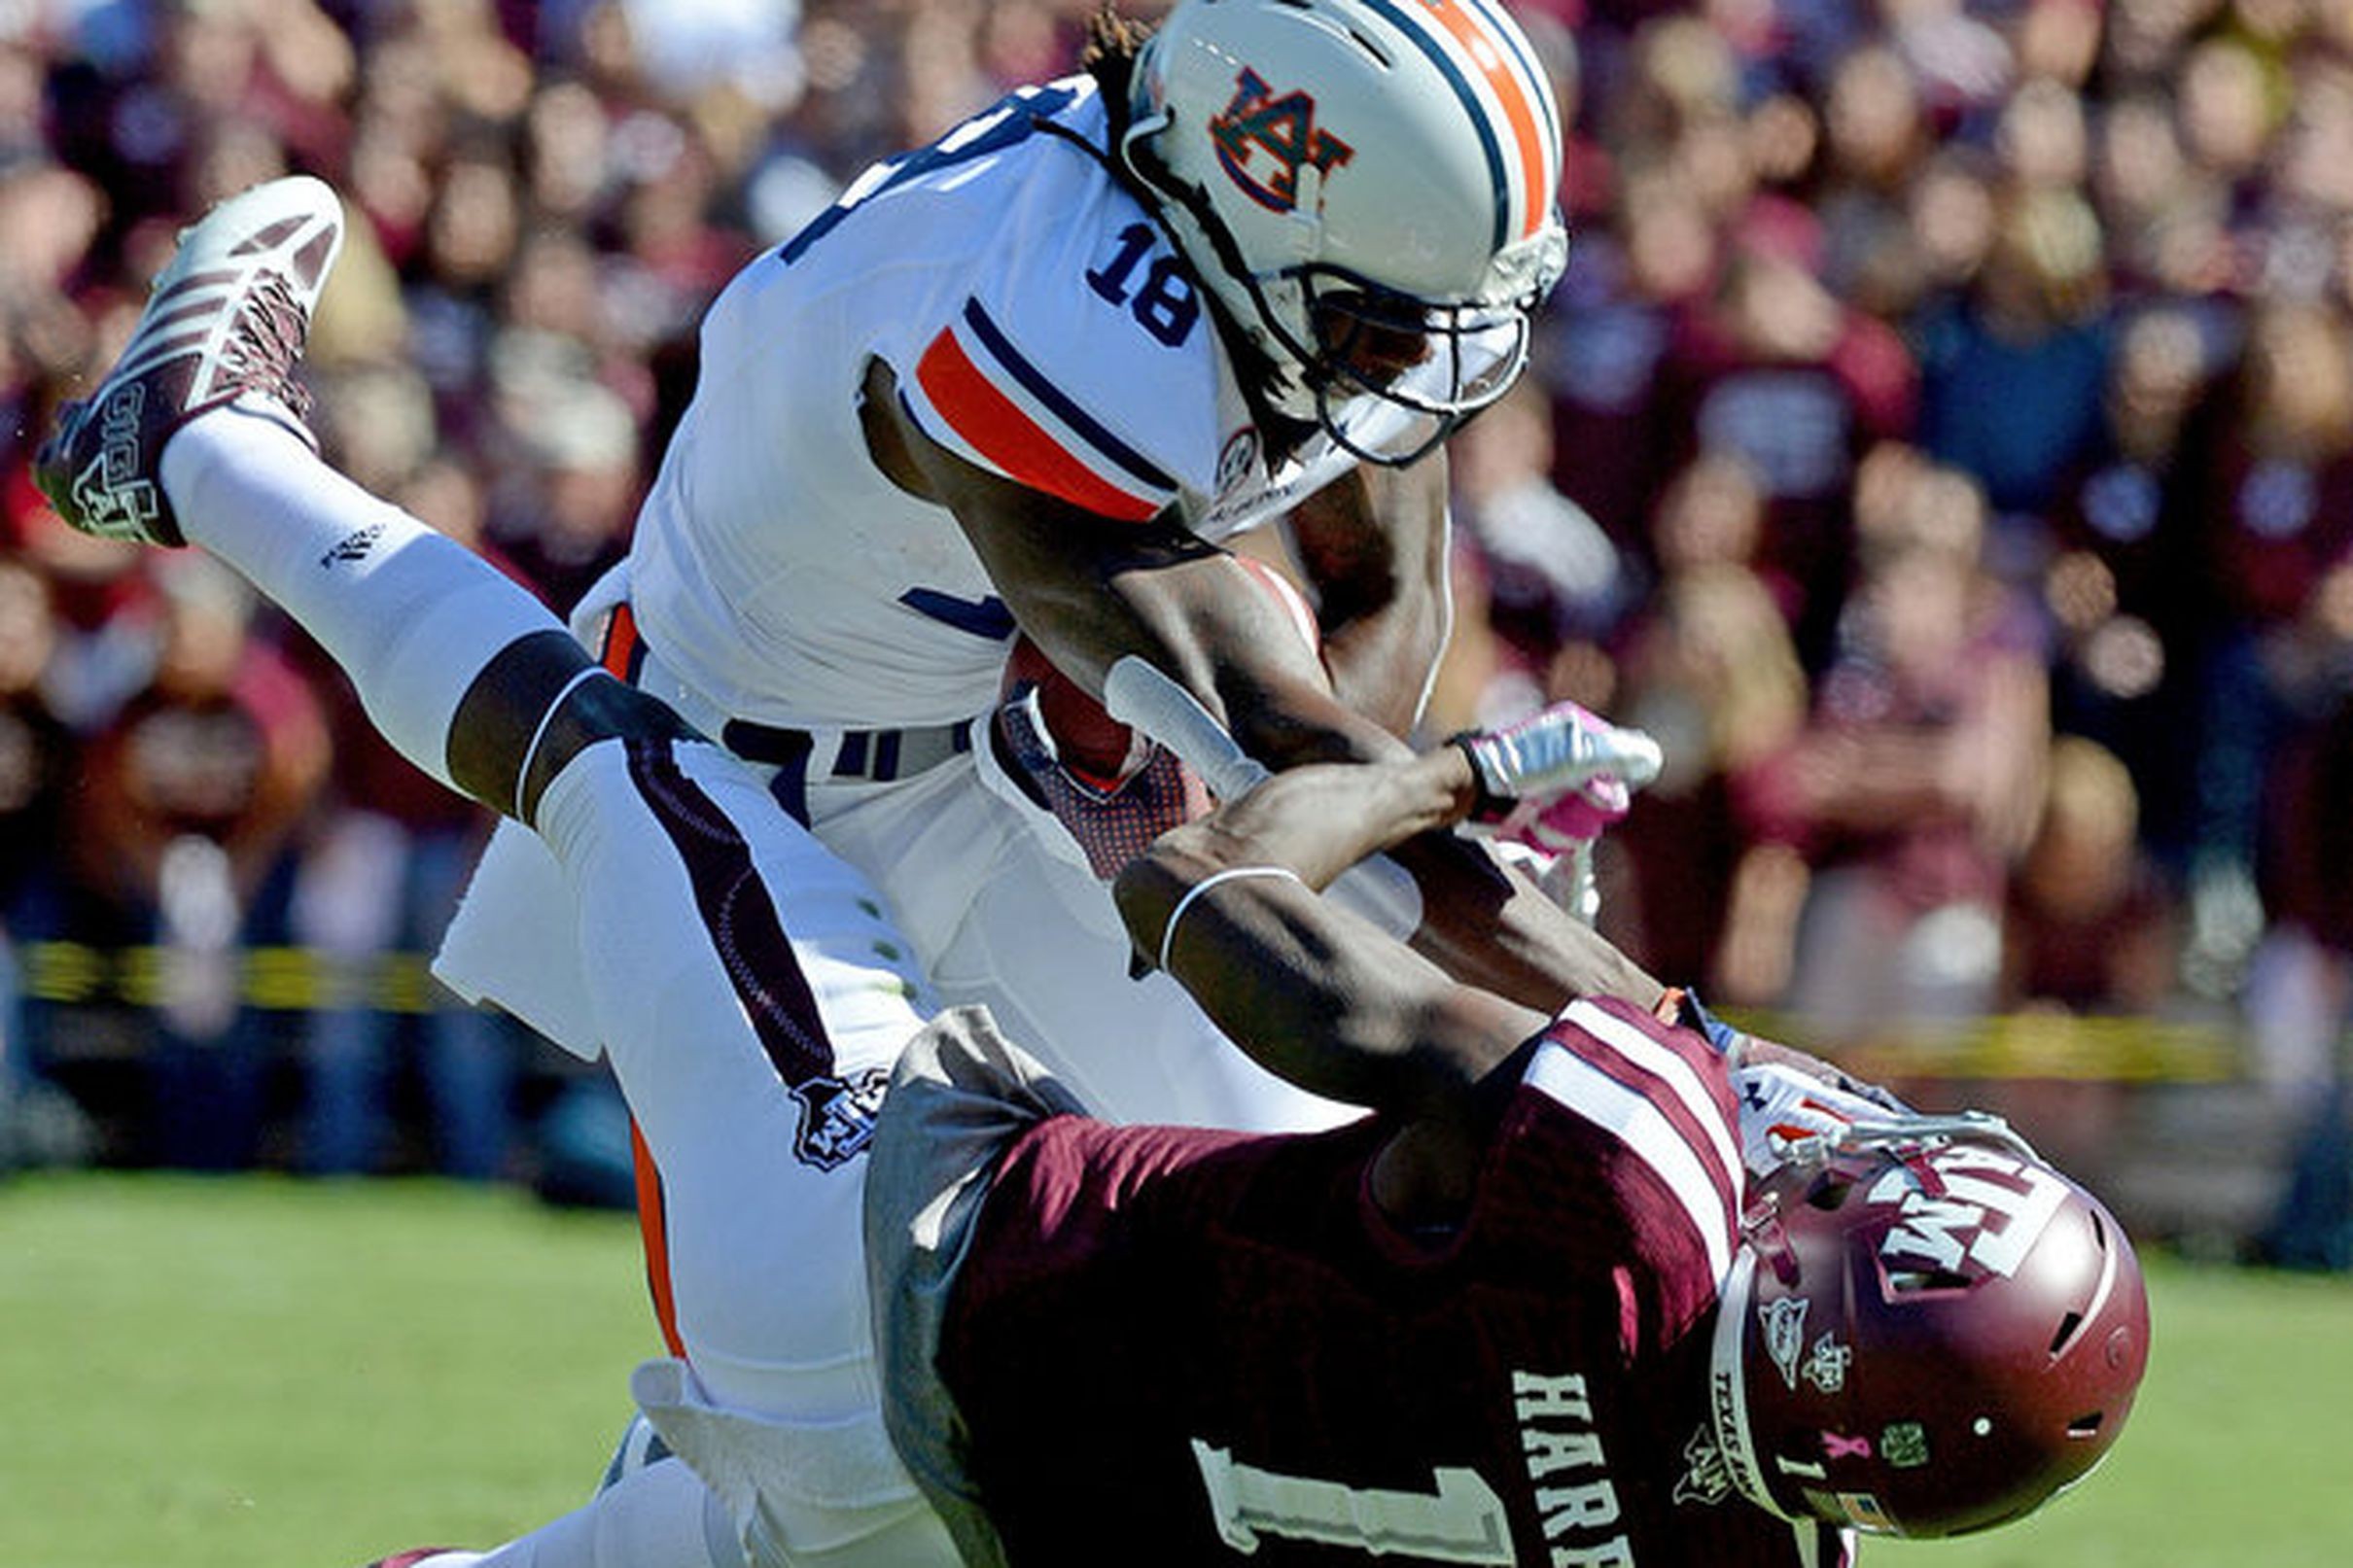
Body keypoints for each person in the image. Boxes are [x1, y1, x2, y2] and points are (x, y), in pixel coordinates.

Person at [38, 176, 2148, 1568]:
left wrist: (1403, 795)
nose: (1836, 1154)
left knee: (625, 758)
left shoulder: (1647, 1188)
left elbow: (1270, 932)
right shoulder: (1749, 1533)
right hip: (996, 1524)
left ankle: (199, 437)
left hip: (902, 1271)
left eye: (1857, 1203)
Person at [429, 0, 1618, 1138]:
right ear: (1258, 211)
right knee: (813, 1332)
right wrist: (1659, 1025)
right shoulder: (1052, 312)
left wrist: (1321, 827)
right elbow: (1272, 726)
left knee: (1275, 1204)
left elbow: (1388, 600)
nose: (1417, 360)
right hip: (753, 794)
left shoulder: (1238, 230)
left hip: (1003, 780)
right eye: (1387, 322)